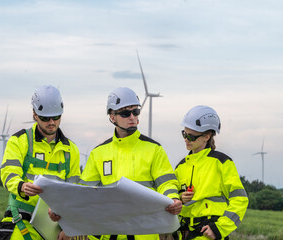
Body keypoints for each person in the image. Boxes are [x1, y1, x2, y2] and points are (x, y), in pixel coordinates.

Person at [80, 87, 182, 240]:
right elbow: (84, 195)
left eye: (136, 112)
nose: (132, 117)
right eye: (125, 113)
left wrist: (173, 198)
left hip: (145, 233)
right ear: (112, 116)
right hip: (109, 233)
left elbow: (166, 183)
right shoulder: (98, 153)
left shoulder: (154, 149)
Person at [0, 85, 81, 240]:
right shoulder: (19, 141)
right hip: (22, 221)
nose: (51, 122)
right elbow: (8, 173)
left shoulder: (71, 150)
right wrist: (21, 186)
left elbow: (75, 192)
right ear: (34, 114)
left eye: (56, 117)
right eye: (45, 118)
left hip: (55, 227)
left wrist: (70, 229)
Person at [174, 105, 249, 240]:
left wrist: (220, 228)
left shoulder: (221, 162)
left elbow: (240, 200)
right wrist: (180, 199)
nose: (186, 139)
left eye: (191, 136)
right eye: (184, 134)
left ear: (206, 137)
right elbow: (171, 202)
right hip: (184, 234)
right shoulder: (181, 166)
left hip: (210, 234)